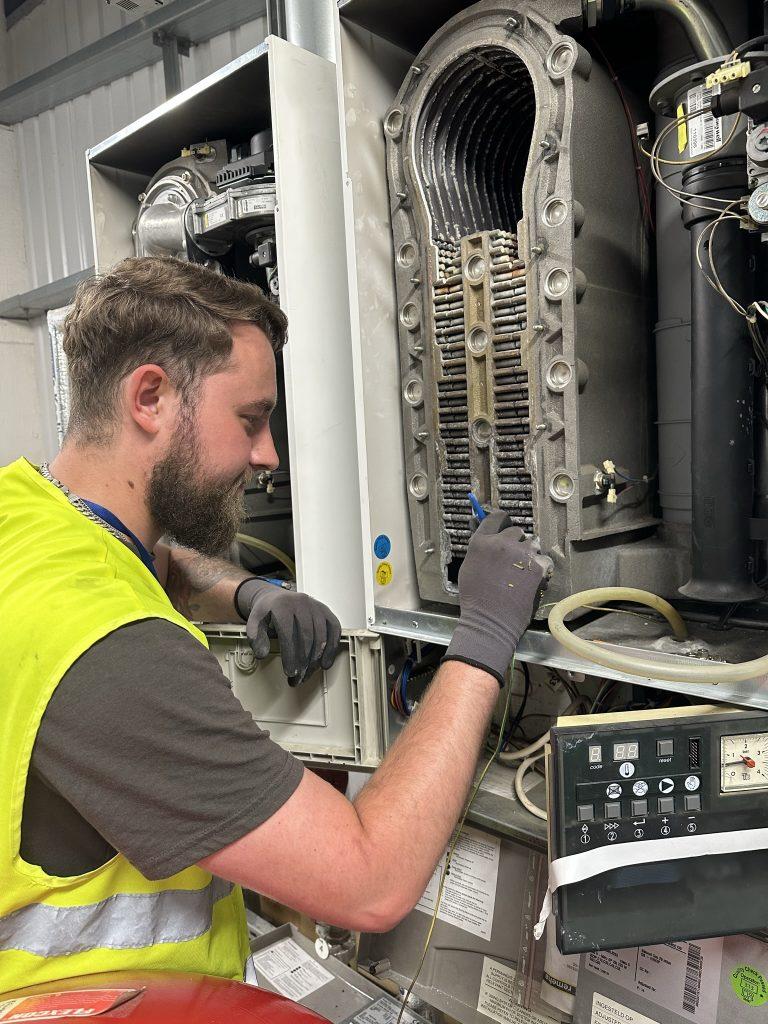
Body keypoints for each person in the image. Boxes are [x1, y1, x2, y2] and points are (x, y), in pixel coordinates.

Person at [0, 256, 546, 989]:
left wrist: (247, 592)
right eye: (250, 420)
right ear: (151, 397)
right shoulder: (110, 647)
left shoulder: (29, 514)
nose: (267, 456)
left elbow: (151, 561)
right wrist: (481, 641)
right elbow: (370, 882)